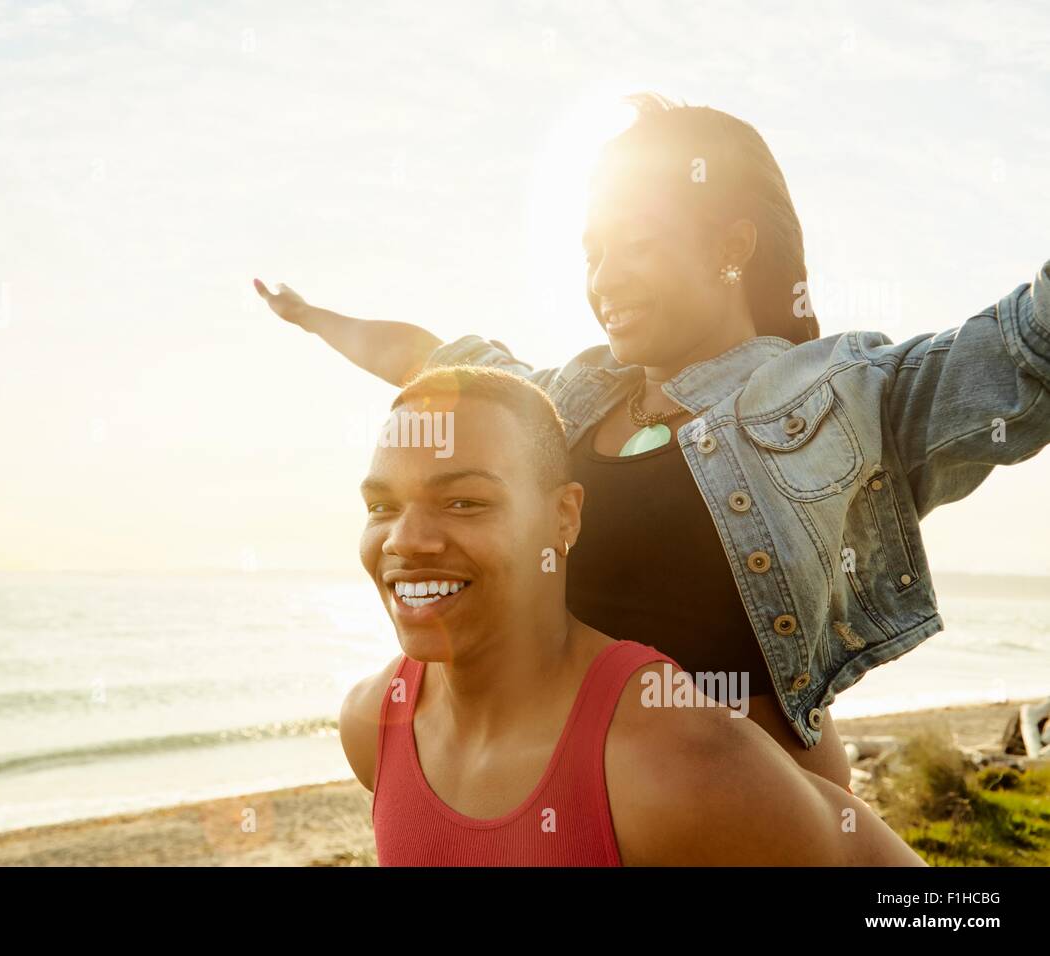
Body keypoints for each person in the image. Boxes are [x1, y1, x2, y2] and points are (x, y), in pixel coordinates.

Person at [259, 92, 1050, 791]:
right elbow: (429, 356)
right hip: (574, 803)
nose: (605, 280)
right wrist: (314, 318)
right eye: (594, 253)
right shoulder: (560, 402)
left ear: (731, 247)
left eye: (637, 245)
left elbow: (1024, 349)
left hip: (760, 814)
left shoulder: (842, 398)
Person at [340, 364, 924, 865]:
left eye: (464, 502)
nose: (406, 540)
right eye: (382, 506)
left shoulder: (672, 760)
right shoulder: (374, 724)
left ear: (563, 518)